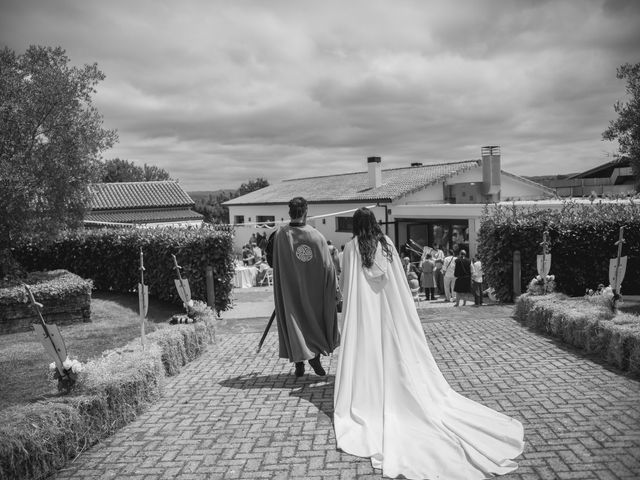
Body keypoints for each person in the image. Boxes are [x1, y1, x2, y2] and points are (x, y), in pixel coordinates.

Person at [334, 207, 524, 480]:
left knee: (370, 353)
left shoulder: (352, 248)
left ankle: (370, 390)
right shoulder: (386, 243)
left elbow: (349, 285)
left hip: (366, 313)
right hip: (389, 311)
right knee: (394, 350)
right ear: (374, 223)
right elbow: (397, 281)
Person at [270, 197, 339, 377]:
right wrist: (334, 290)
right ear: (306, 211)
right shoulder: (316, 236)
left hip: (289, 290)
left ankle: (299, 362)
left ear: (290, 212)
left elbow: (274, 262)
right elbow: (328, 267)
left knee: (294, 323)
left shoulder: (280, 235)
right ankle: (313, 358)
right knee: (313, 323)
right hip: (313, 291)